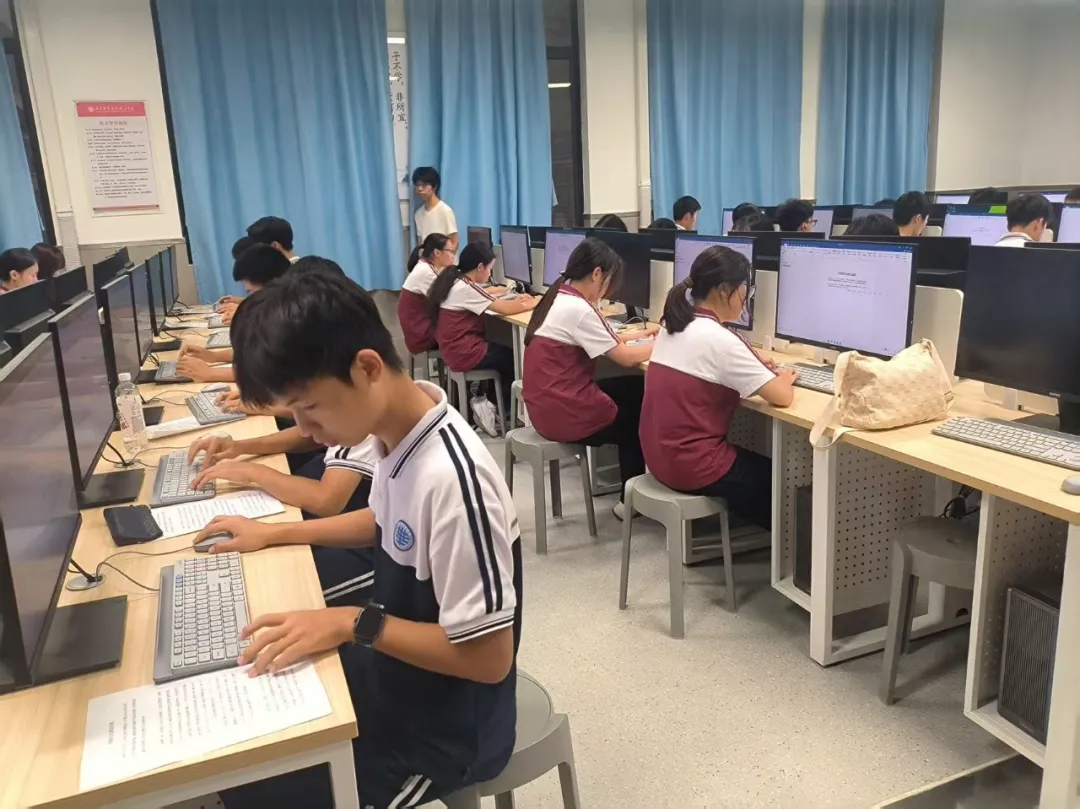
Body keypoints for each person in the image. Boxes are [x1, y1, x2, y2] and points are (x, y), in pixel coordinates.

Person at [191, 269, 521, 809]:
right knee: (237, 744)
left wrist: (352, 622)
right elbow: (380, 521)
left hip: (442, 735)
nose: (304, 429)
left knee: (257, 789)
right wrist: (274, 535)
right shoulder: (395, 436)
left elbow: (489, 660)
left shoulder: (453, 479)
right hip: (391, 678)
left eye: (309, 408)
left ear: (367, 367)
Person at [640, 247, 795, 530]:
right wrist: (785, 377)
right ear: (725, 291)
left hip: (658, 458)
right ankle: (780, 552)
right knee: (779, 477)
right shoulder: (721, 339)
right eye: (745, 290)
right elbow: (782, 397)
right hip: (691, 467)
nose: (746, 298)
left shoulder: (673, 325)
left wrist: (750, 362)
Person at [522, 238, 656, 520]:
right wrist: (666, 343)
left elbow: (606, 339)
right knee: (637, 413)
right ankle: (630, 503)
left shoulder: (559, 297)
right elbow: (627, 358)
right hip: (564, 414)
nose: (608, 290)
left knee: (634, 387)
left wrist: (641, 335)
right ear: (597, 273)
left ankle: (632, 493)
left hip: (545, 407)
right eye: (608, 282)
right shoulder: (579, 309)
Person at [187, 427, 378, 606]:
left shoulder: (365, 427)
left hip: (369, 552)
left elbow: (329, 502)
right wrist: (240, 447)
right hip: (346, 519)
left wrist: (270, 532)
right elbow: (311, 432)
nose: (305, 427)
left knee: (267, 594)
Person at [426, 243, 538, 436]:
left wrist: (516, 300)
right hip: (465, 352)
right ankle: (496, 411)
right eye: (490, 268)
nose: (490, 273)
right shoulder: (465, 288)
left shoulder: (456, 282)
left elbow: (491, 299)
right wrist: (536, 302)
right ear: (479, 267)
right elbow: (504, 309)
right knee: (511, 358)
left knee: (502, 353)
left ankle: (493, 405)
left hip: (454, 350)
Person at [177, 244, 292, 381]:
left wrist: (211, 373)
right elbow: (257, 353)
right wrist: (213, 356)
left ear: (271, 285)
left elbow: (270, 372)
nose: (252, 300)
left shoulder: (290, 318)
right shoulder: (280, 309)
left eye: (251, 292)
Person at [397, 233, 456, 356]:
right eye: (450, 251)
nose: (453, 255)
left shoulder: (424, 266)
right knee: (467, 329)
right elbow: (453, 297)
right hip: (421, 336)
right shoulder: (426, 273)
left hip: (419, 330)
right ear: (437, 253)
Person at [412, 166, 458, 253]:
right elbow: (421, 243)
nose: (420, 189)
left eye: (424, 185)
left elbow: (454, 242)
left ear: (435, 186)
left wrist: (446, 260)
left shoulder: (445, 211)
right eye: (417, 185)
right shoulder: (418, 214)